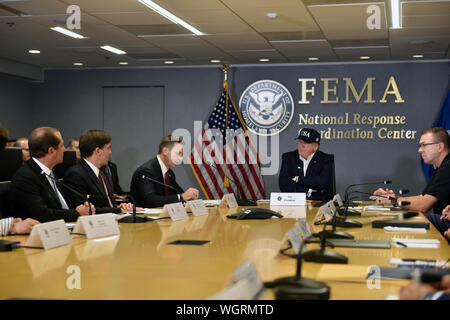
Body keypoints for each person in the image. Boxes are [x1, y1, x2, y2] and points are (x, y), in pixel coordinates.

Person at [372, 127, 450, 234]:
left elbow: (424, 205)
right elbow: (422, 198)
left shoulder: (447, 167)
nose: (419, 150)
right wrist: (394, 199)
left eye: (424, 145)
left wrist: (394, 200)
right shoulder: (442, 167)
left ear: (440, 146)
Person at [10, 127, 94, 222]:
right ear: (51, 151)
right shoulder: (25, 176)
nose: (64, 150)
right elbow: (42, 214)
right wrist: (77, 213)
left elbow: (60, 206)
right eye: (62, 145)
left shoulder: (50, 172)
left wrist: (85, 208)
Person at [63, 130, 135, 214]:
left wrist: (120, 206)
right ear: (97, 151)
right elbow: (85, 210)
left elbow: (108, 205)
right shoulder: (75, 174)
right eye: (108, 148)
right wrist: (118, 210)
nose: (110, 152)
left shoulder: (101, 173)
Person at [130, 135, 199, 208]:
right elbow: (150, 200)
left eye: (182, 154)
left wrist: (189, 196)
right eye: (178, 153)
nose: (180, 158)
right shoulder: (146, 171)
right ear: (165, 151)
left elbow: (179, 193)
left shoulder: (169, 174)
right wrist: (181, 197)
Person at [278, 128, 333, 200]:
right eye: (300, 142)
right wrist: (307, 190)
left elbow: (322, 182)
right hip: (293, 202)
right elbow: (283, 184)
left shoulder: (325, 159)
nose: (301, 145)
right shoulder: (288, 157)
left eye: (306, 143)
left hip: (318, 203)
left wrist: (298, 179)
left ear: (315, 147)